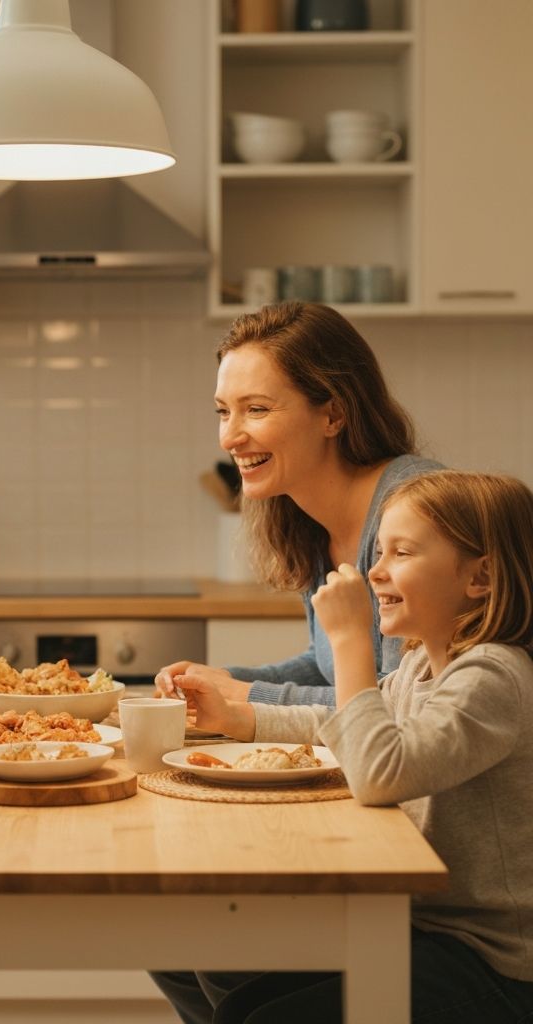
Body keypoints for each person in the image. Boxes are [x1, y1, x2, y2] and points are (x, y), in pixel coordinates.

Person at [151, 302, 441, 1022]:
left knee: (222, 947)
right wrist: (236, 683)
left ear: (333, 412)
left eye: (256, 408)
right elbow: (335, 667)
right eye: (223, 411)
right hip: (377, 805)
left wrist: (245, 705)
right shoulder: (317, 525)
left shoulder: (410, 517)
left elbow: (398, 710)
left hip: (431, 837)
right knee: (173, 931)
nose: (232, 435)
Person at [167, 470, 533, 1023]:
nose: (375, 571)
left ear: (480, 577)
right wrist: (241, 718)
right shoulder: (421, 664)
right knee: (218, 962)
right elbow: (351, 721)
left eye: (402, 552)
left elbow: (380, 769)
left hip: (491, 960)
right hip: (417, 924)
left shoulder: (494, 675)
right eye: (378, 551)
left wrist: (347, 641)